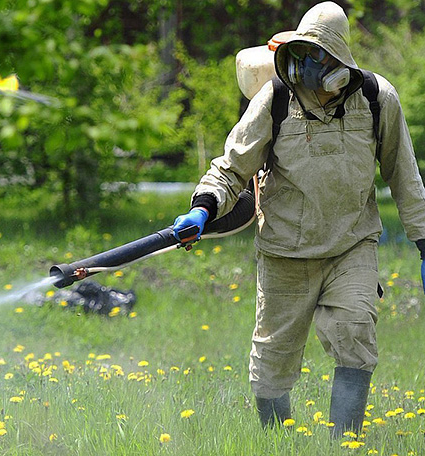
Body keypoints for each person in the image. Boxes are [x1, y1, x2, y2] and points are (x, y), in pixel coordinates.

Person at [172, 1, 425, 437]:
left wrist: (424, 242)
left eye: (317, 54)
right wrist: (204, 206)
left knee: (354, 332)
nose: (307, 64)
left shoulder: (375, 98)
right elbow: (232, 167)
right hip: (285, 251)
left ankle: (342, 442)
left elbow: (405, 176)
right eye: (301, 53)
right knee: (272, 362)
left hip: (351, 245)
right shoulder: (275, 98)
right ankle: (279, 443)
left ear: (338, 58)